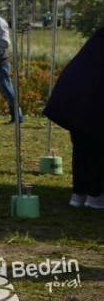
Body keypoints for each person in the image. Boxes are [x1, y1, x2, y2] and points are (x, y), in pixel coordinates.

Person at [43, 27, 104, 208]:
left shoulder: (97, 41)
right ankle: (95, 195)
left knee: (82, 150)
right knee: (96, 151)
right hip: (91, 104)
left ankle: (79, 194)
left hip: (75, 103)